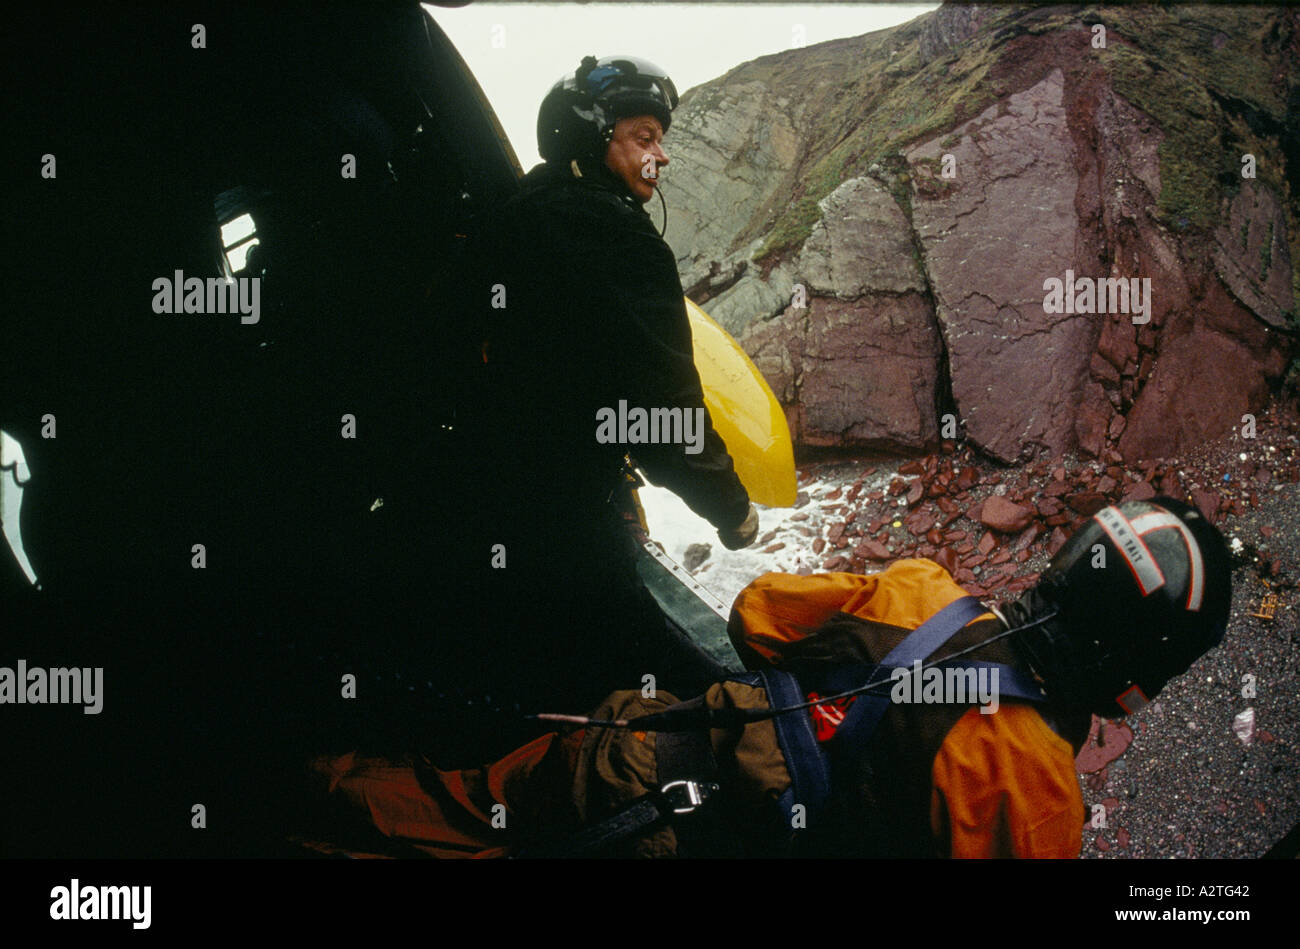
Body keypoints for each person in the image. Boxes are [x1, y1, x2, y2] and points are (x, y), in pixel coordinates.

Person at [307, 497, 1232, 858]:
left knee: (455, 805)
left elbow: (756, 618)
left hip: (631, 752)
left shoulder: (920, 591)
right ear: (1138, 676)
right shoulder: (1038, 806)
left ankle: (305, 795)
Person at [455, 55, 758, 739]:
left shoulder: (514, 212)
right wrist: (732, 509)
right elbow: (662, 412)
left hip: (474, 494)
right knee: (638, 701)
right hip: (559, 513)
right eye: (644, 136)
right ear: (594, 137)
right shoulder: (623, 243)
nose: (664, 156)